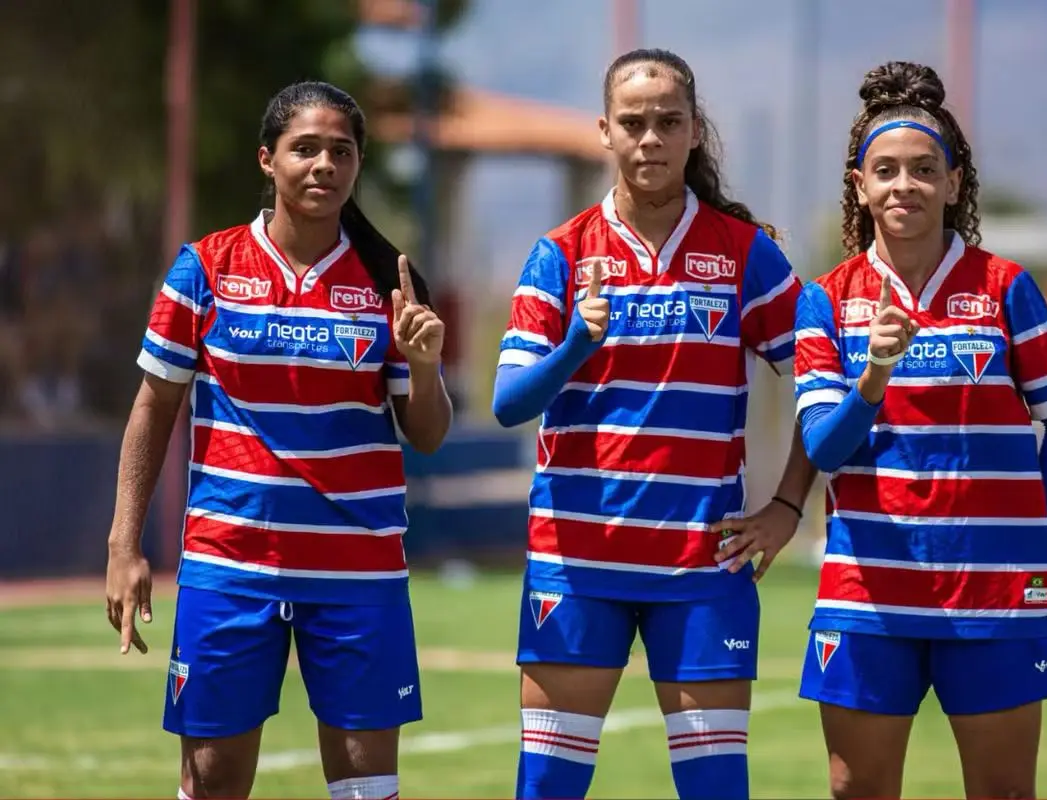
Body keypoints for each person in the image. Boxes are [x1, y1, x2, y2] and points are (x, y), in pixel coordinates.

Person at [103, 81, 452, 800]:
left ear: (357, 166)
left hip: (359, 571)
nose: (324, 164)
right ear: (268, 159)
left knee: (367, 788)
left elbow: (427, 434)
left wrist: (424, 367)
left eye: (341, 151)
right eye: (305, 148)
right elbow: (153, 407)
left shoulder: (392, 282)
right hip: (230, 564)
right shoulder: (205, 268)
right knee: (212, 783)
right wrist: (123, 545)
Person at [492, 48, 818, 800]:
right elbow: (510, 401)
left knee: (715, 790)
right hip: (576, 568)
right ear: (604, 132)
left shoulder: (744, 254)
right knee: (547, 789)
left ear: (695, 131)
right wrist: (578, 338)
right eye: (633, 123)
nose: (650, 139)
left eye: (669, 122)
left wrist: (787, 506)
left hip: (703, 573)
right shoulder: (561, 254)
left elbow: (824, 380)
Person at [793, 61, 1047, 799]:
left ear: (955, 184)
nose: (906, 185)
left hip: (993, 594)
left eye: (926, 169)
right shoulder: (827, 301)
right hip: (866, 595)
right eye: (886, 170)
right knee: (854, 791)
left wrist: (1030, 535)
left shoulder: (1005, 287)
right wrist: (872, 378)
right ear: (860, 185)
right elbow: (824, 448)